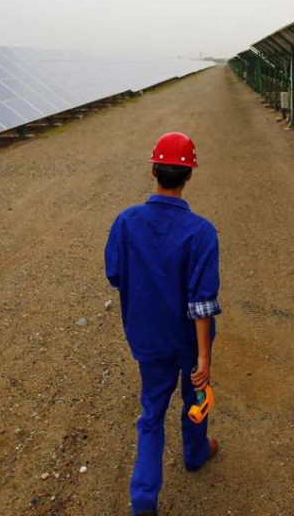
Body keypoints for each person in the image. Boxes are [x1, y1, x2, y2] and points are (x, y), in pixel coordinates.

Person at [104, 131, 222, 516]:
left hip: (148, 338)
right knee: (196, 397)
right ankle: (194, 453)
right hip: (188, 341)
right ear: (188, 177)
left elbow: (115, 274)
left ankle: (143, 499)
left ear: (154, 170)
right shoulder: (202, 232)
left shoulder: (125, 223)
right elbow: (202, 303)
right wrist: (203, 357)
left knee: (151, 412)